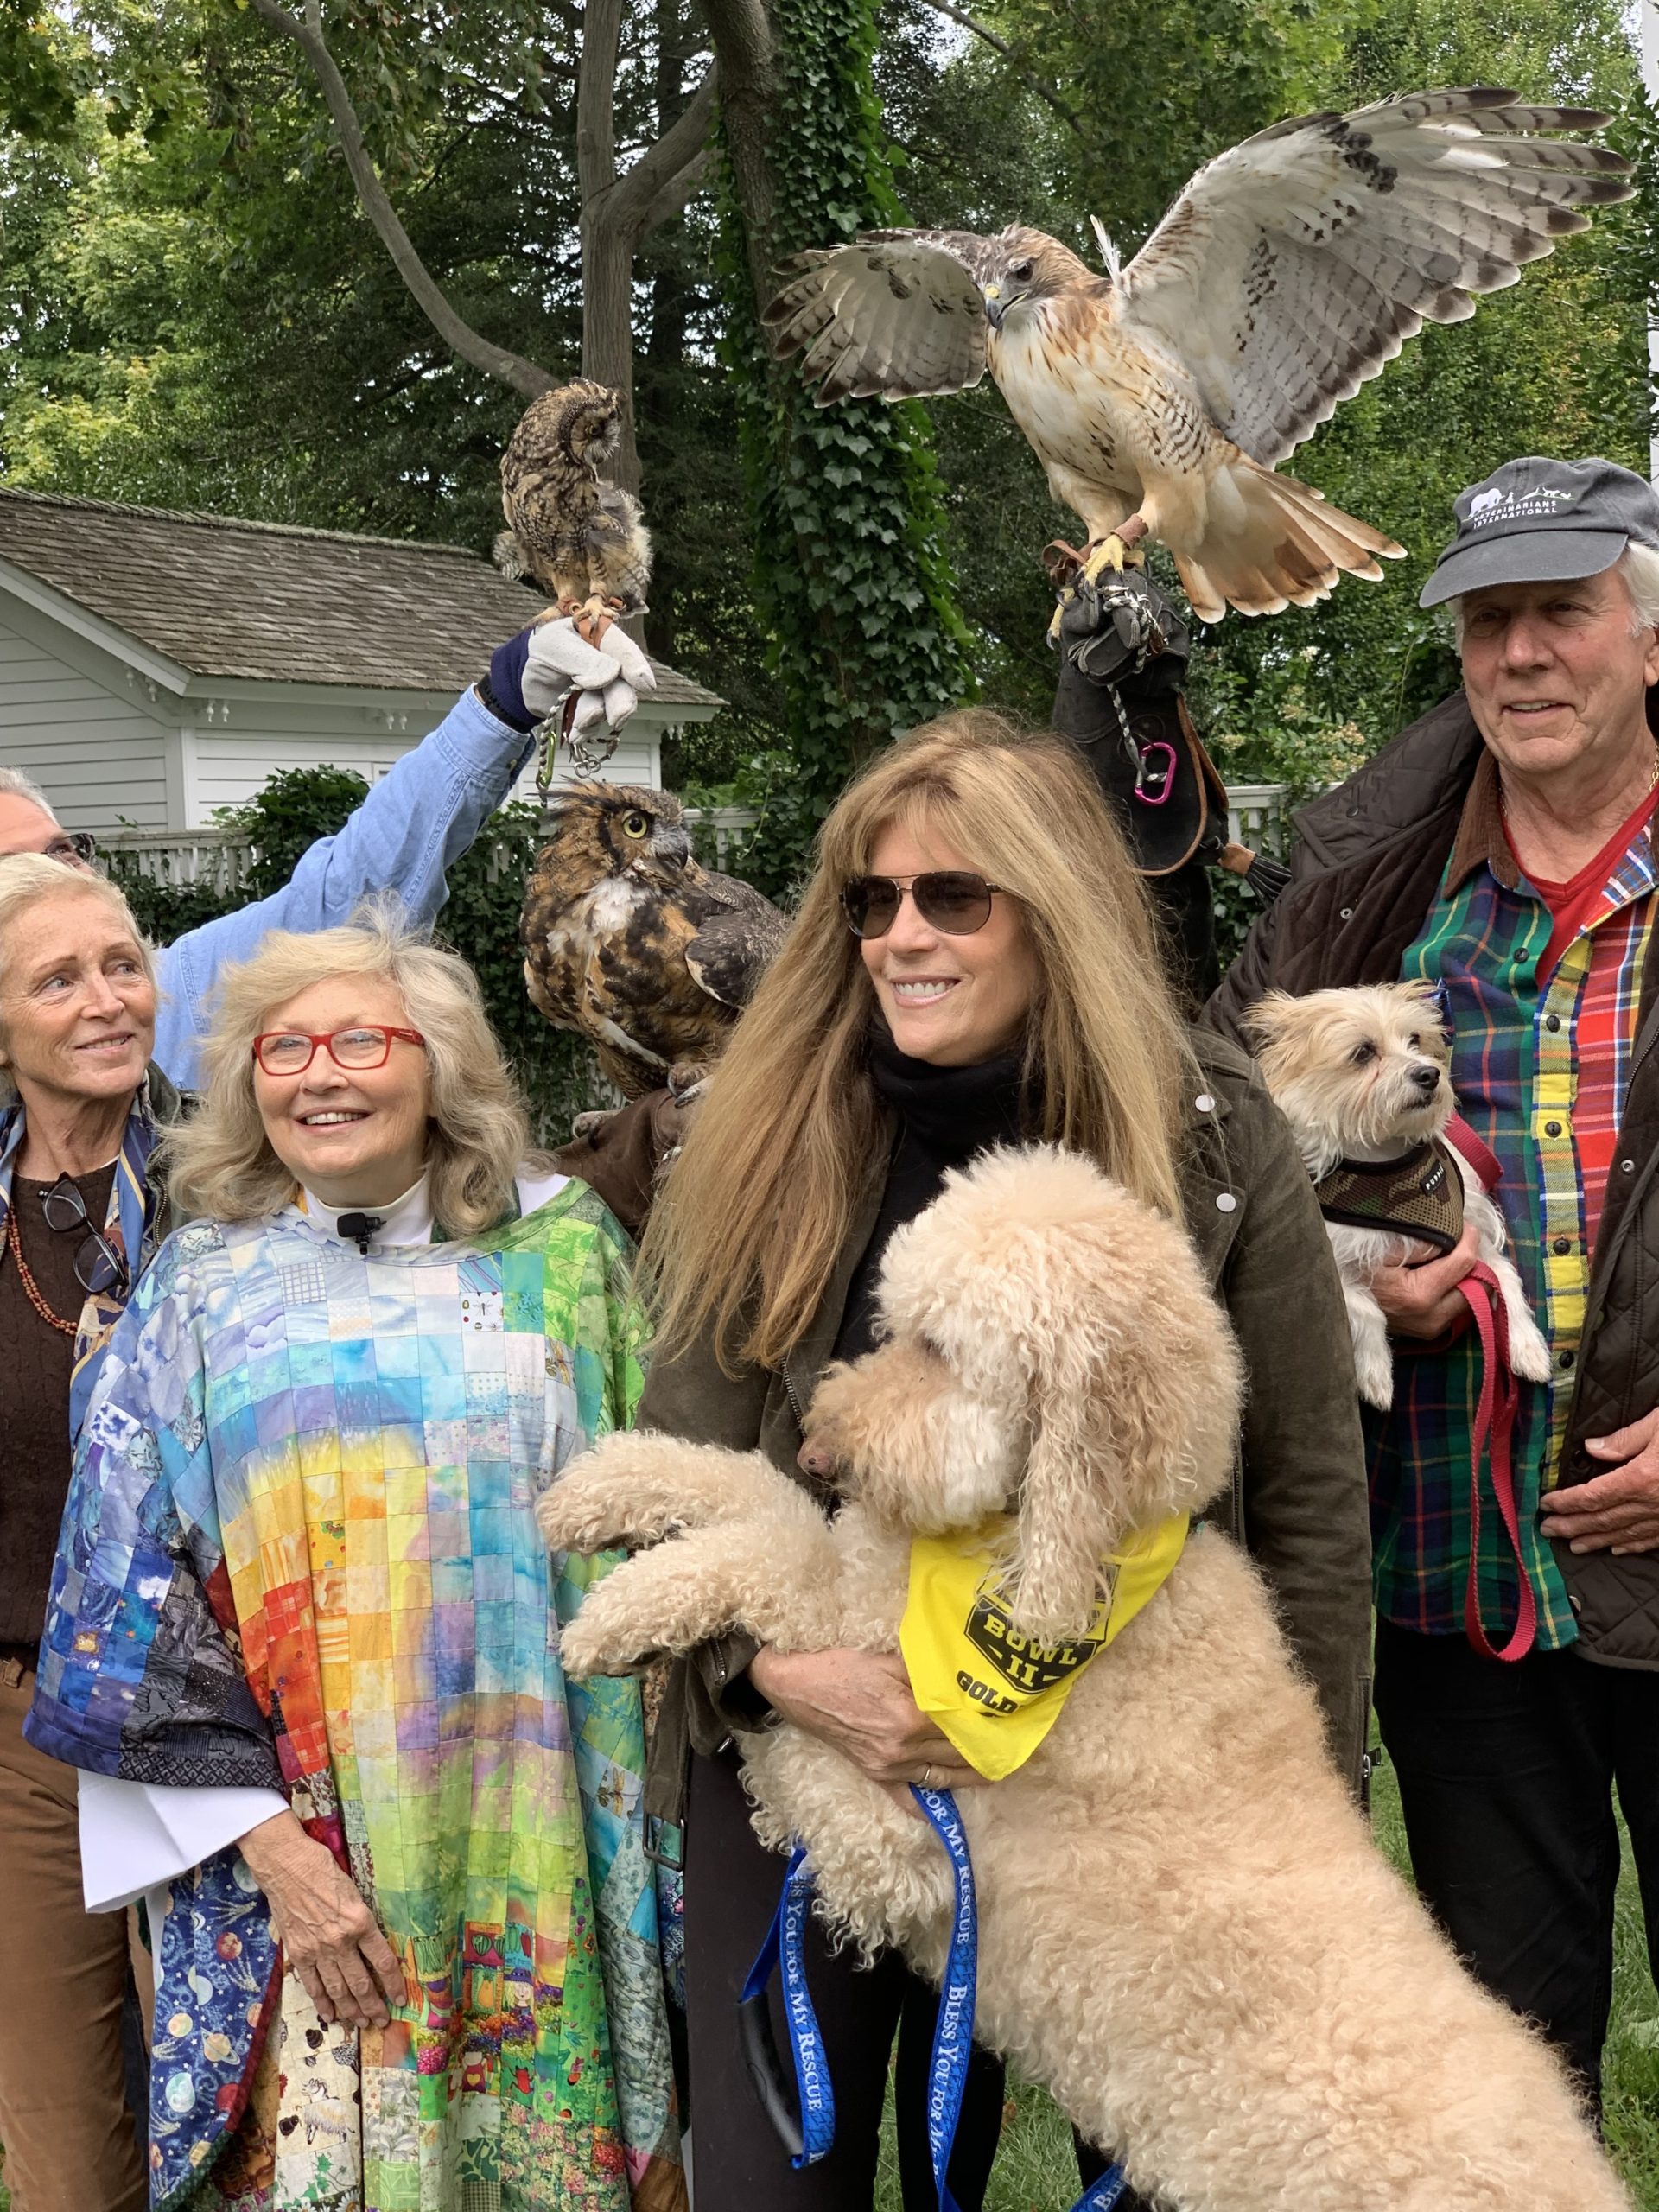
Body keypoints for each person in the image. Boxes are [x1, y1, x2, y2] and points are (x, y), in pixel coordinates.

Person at [632, 710, 1370, 2209]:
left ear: (1056, 910)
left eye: (952, 897)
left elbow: (1305, 1511)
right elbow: (675, 1469)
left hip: (1120, 1766)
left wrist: (1307, 1841)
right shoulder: (765, 1134)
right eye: (869, 901)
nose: (902, 936)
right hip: (817, 1748)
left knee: (1176, 2176)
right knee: (777, 2183)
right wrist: (788, 1679)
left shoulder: (1208, 1138)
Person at [0, 612, 647, 2211]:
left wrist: (507, 697)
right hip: (125, 1758)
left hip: (424, 1770)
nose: (99, 986)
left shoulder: (537, 1248)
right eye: (39, 950)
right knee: (100, 2153)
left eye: (104, 933)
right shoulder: (158, 1263)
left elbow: (356, 887)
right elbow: (118, 1560)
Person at [1207, 454, 1659, 2110]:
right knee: (1503, 2074)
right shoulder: (1372, 892)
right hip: (1456, 1580)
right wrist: (1327, 1286)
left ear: (1650, 637)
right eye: (1489, 622)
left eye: (1564, 612)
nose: (1522, 656)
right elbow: (1207, 1157)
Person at [0, 609, 649, 1089]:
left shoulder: (177, 990)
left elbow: (351, 893)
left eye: (62, 852)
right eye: (15, 873)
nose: (57, 883)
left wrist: (507, 699)